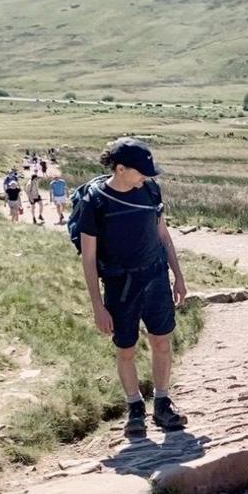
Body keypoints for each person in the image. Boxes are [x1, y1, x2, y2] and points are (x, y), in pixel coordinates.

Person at [77, 137, 188, 439]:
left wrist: (178, 275)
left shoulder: (151, 190)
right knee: (125, 349)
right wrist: (97, 306)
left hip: (155, 278)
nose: (146, 178)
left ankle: (162, 403)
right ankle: (134, 408)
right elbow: (88, 258)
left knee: (162, 342)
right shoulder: (95, 202)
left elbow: (163, 236)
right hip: (120, 285)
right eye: (141, 172)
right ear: (121, 168)